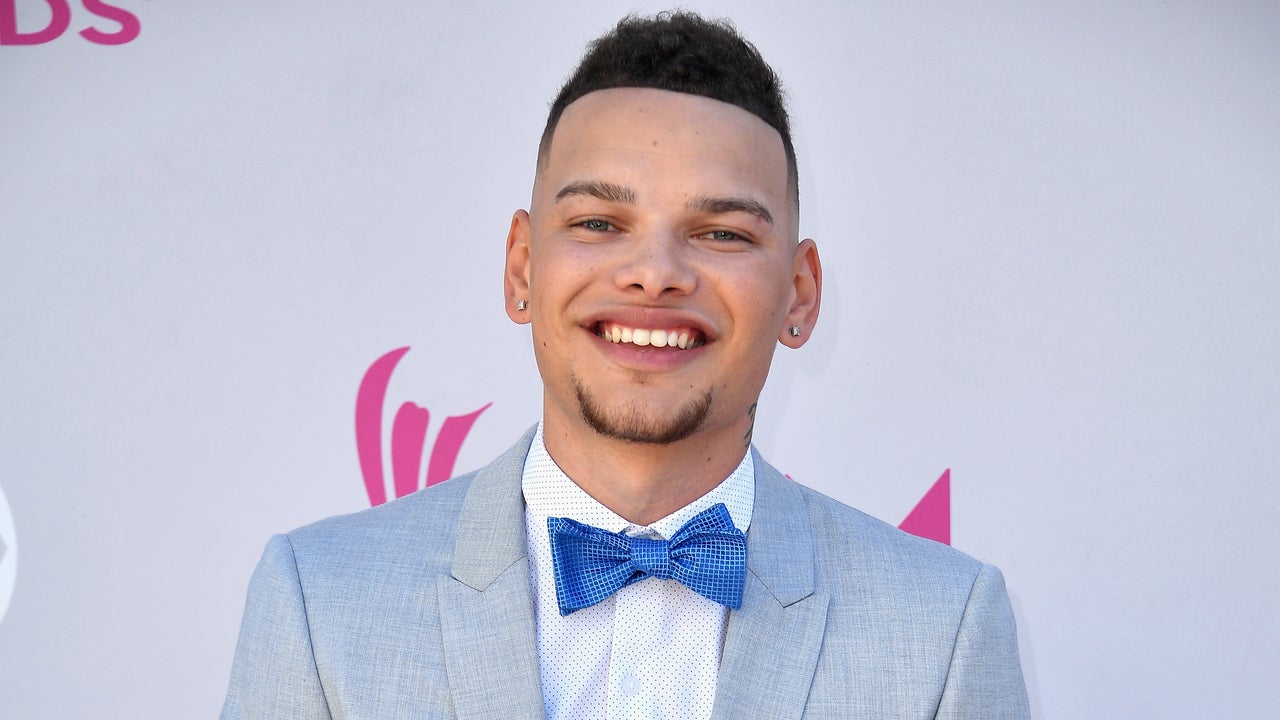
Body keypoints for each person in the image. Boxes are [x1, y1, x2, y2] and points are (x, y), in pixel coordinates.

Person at [222, 11, 1030, 719]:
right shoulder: (320, 602)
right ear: (522, 268)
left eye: (722, 234)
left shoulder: (944, 628)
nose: (655, 274)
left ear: (800, 293)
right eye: (600, 223)